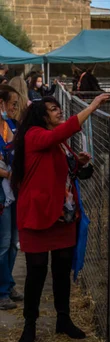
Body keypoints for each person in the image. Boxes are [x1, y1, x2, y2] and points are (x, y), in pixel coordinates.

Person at [11, 93, 110, 342]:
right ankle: (30, 324)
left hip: (62, 214)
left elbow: (59, 169)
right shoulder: (34, 134)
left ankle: (63, 319)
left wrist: (76, 163)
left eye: (58, 108)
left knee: (61, 267)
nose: (59, 112)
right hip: (38, 213)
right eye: (54, 109)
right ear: (42, 115)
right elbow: (57, 135)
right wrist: (91, 107)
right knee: (36, 269)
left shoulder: (60, 144)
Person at [0, 85, 22, 311]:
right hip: (2, 191)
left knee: (14, 242)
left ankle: (8, 283)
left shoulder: (12, 127)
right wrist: (7, 173)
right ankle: (2, 291)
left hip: (14, 190)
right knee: (4, 242)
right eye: (12, 103)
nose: (15, 108)